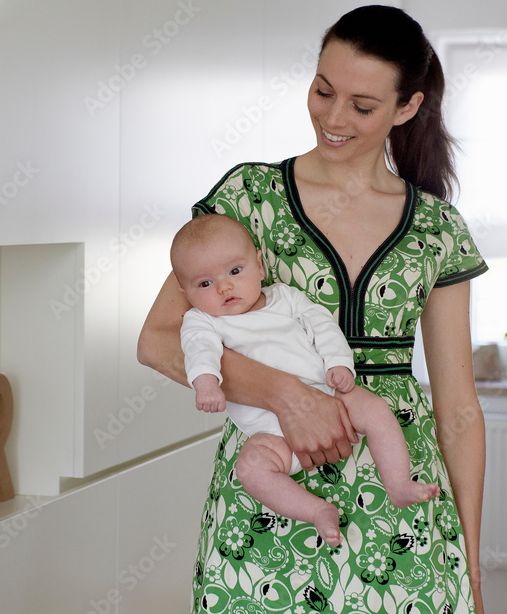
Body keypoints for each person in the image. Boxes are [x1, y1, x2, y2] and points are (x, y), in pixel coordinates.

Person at [138, 5, 490, 614]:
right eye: (323, 90)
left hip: (400, 526)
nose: (332, 117)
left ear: (407, 107)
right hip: (269, 508)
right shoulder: (247, 198)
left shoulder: (436, 227)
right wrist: (283, 392)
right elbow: (158, 339)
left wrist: (470, 571)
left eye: (361, 105)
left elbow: (459, 409)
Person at [172, 213, 439, 547]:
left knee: (374, 409)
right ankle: (316, 511)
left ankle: (398, 484)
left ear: (259, 265)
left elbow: (322, 326)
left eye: (235, 271)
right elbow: (199, 351)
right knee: (251, 468)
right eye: (205, 284)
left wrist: (338, 363)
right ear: (185, 292)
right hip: (271, 432)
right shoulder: (202, 321)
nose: (224, 287)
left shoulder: (285, 298)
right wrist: (206, 384)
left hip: (329, 395)